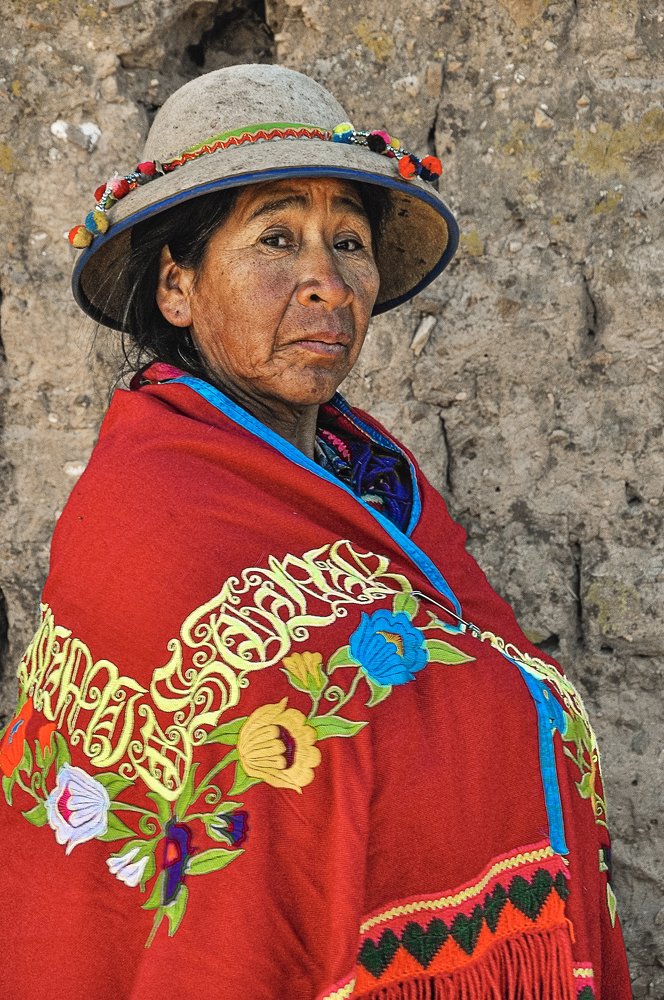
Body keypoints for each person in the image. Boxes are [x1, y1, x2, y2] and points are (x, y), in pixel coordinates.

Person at [0, 64, 631, 1000]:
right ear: (178, 288)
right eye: (276, 239)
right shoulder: (147, 511)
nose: (326, 283)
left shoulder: (376, 484)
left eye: (348, 241)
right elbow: (259, 802)